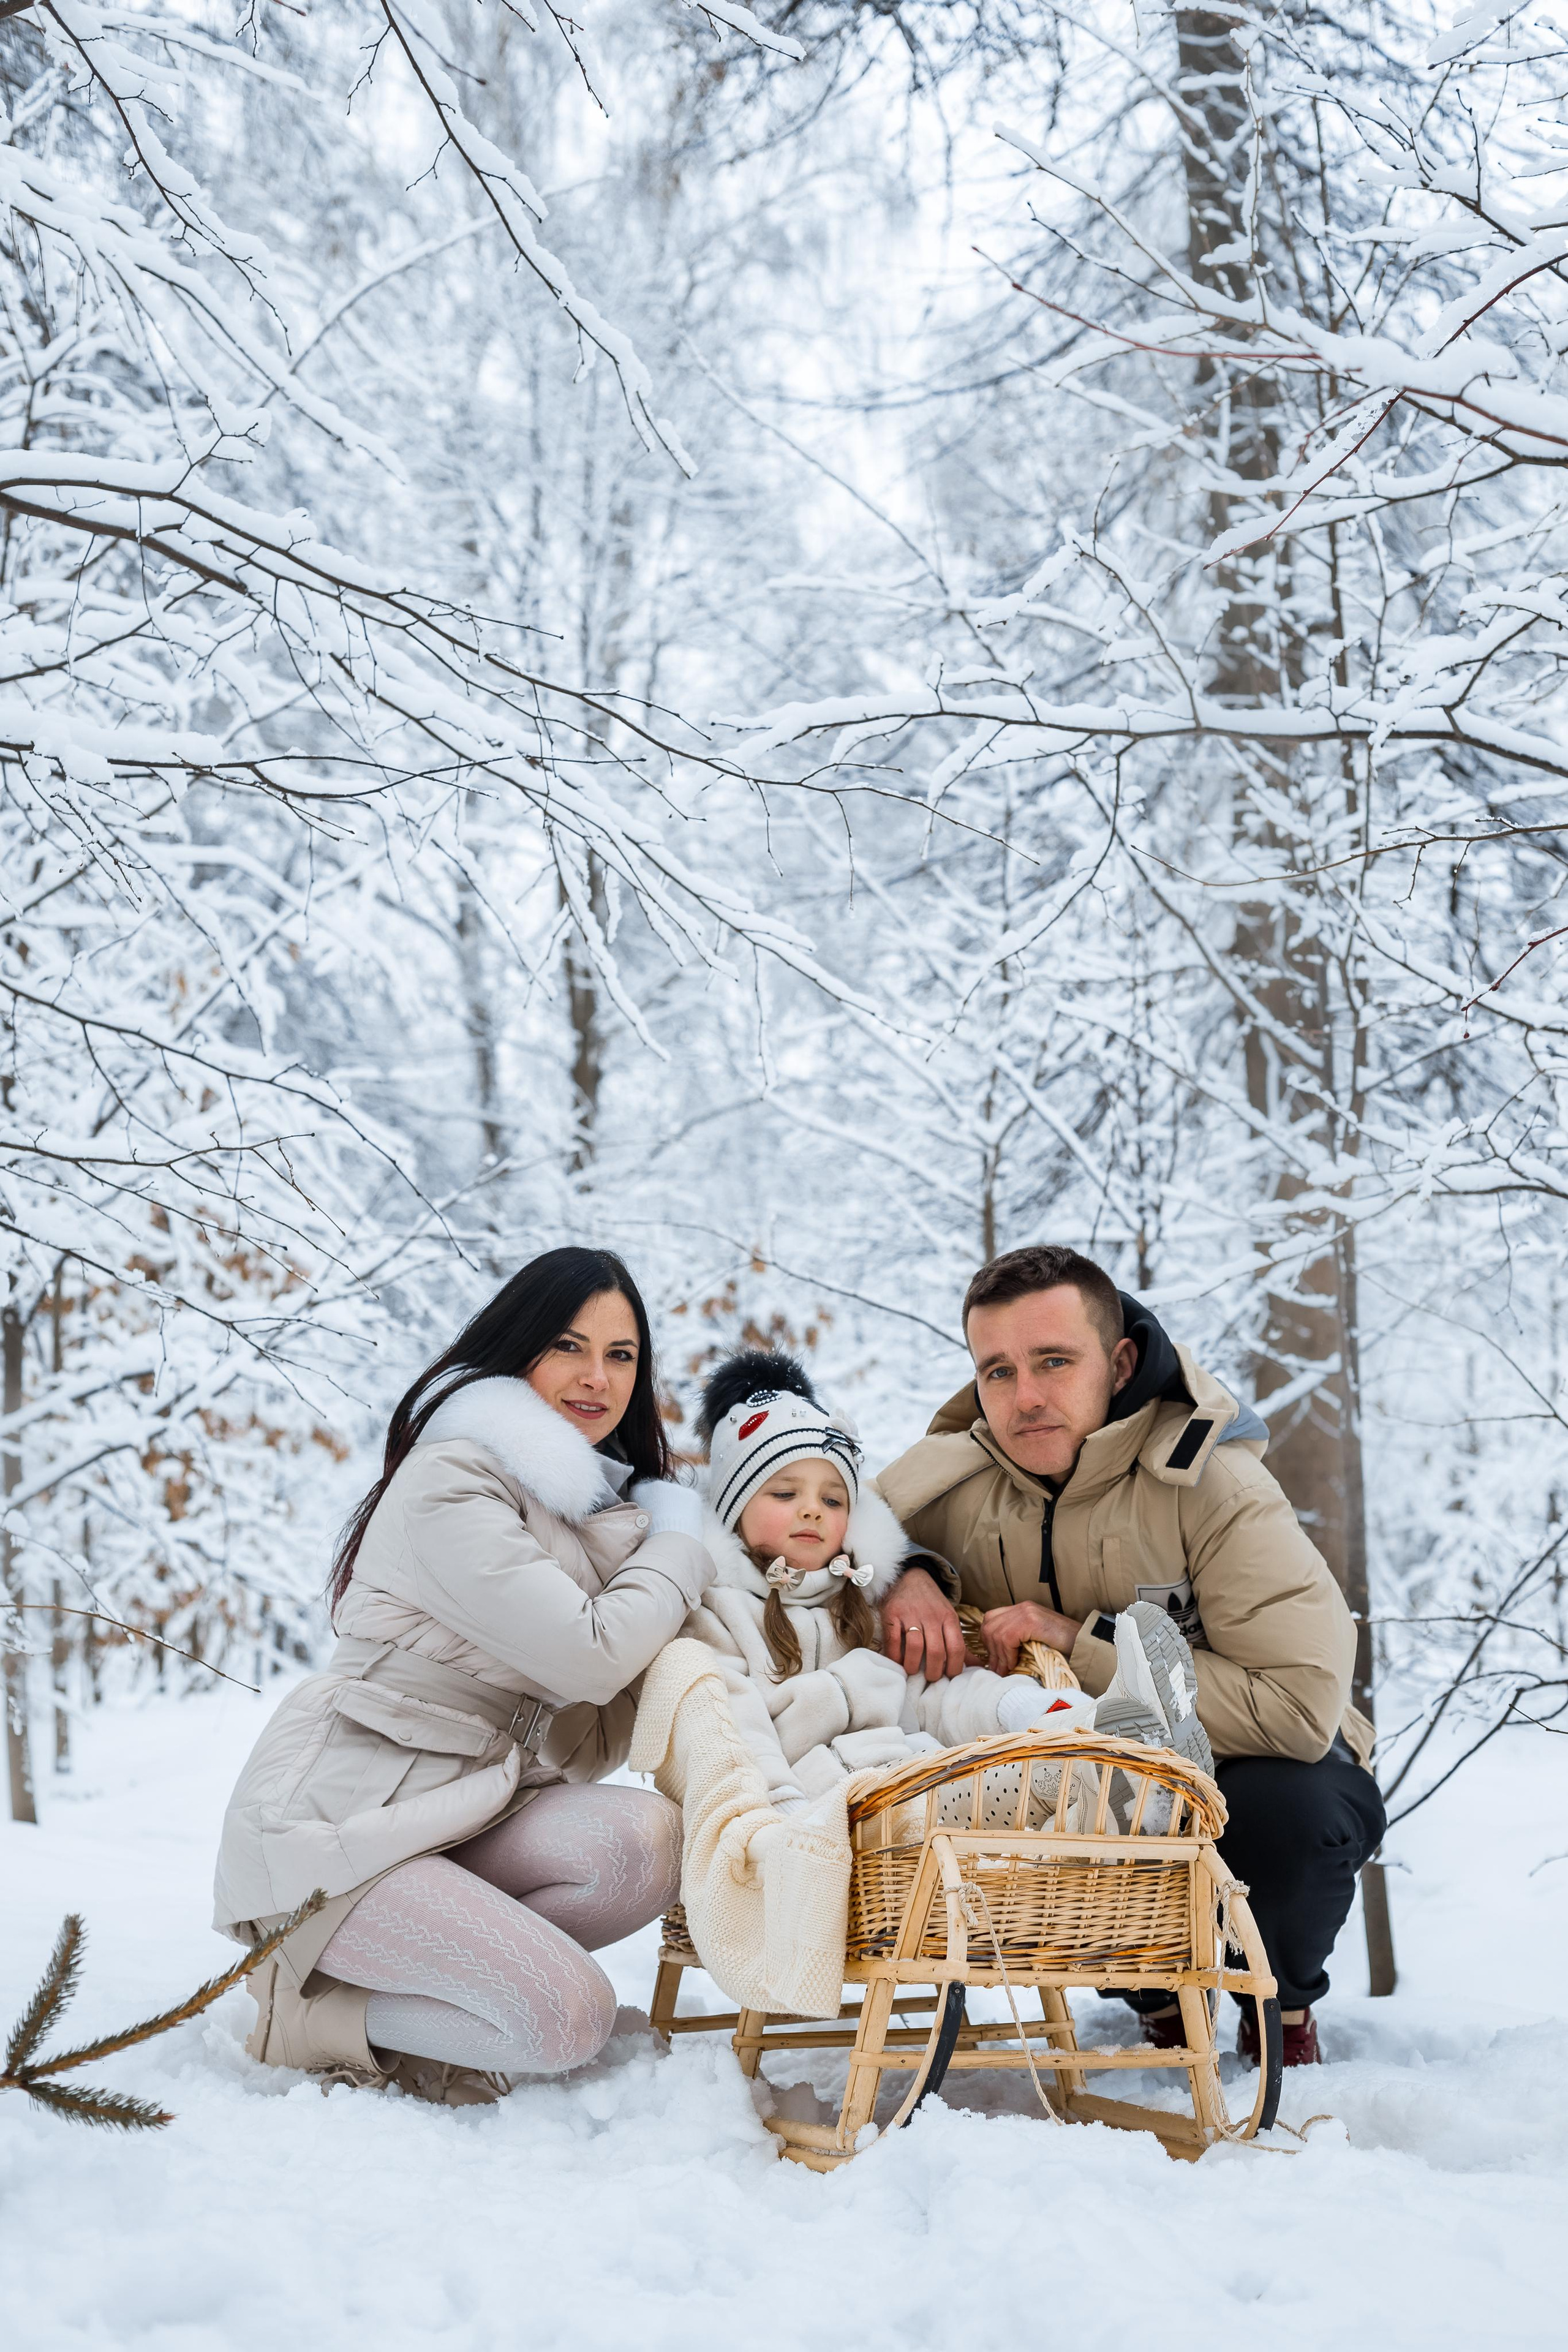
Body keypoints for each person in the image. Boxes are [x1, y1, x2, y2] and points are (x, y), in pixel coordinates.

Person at [213, 1247, 712, 2105]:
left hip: (476, 1803)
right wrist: (678, 1541)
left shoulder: (588, 1513)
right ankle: (307, 2015)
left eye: (621, 1355)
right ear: (516, 1348)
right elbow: (588, 1654)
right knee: (567, 2022)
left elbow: (593, 1732)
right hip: (350, 1823)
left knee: (645, 1843)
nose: (597, 1376)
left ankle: (469, 1985)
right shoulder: (453, 1476)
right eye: (568, 1344)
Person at [875, 1243, 1386, 2067]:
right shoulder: (951, 1483)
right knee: (1062, 1795)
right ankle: (1152, 1990)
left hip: (1251, 1761)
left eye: (1053, 1361)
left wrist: (1079, 1646)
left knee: (1296, 1820)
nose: (1025, 1396)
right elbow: (812, 1539)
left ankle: (1279, 2003)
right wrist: (903, 1571)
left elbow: (1296, 1710)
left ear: (1118, 1363)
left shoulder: (1214, 1483)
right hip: (1079, 1770)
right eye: (997, 1371)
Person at [682, 1349, 1208, 1816]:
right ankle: (1112, 1777)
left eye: (832, 1499)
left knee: (1021, 1775)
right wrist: (785, 1815)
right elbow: (738, 1736)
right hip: (836, 1809)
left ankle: (1110, 1742)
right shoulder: (721, 1618)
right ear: (733, 1510)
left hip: (915, 1776)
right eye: (784, 1494)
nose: (812, 1512)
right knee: (992, 1796)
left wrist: (1026, 1707)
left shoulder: (857, 1604)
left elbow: (931, 1695)